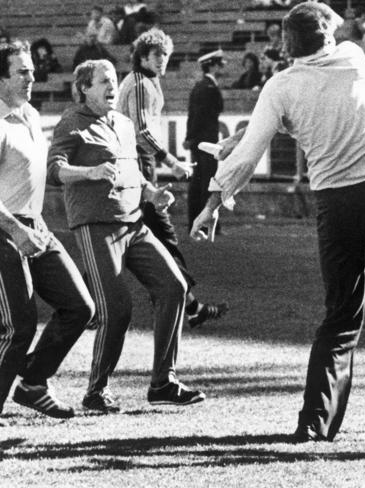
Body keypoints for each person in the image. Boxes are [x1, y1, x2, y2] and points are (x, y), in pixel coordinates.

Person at [191, 2, 365, 442]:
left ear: (287, 46)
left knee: (341, 316)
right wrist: (252, 134)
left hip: (333, 203)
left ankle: (315, 422)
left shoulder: (280, 87)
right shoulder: (354, 58)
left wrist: (213, 203)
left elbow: (255, 151)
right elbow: (328, 105)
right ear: (326, 34)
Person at [47, 59, 206, 413]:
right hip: (96, 226)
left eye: (114, 80)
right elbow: (55, 171)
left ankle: (163, 382)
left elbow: (131, 169)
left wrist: (151, 194)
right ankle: (95, 391)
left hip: (134, 224)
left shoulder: (122, 122)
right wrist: (90, 171)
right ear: (84, 88)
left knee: (174, 287)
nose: (112, 86)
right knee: (117, 309)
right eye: (103, 81)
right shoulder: (71, 122)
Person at [0, 40, 95, 422]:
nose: (31, 78)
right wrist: (13, 229)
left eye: (32, 71)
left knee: (79, 306)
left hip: (34, 225)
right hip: (5, 229)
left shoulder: (31, 116)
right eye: (22, 71)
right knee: (18, 327)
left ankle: (33, 384)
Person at [117, 29, 227, 329]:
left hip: (136, 160)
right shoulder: (140, 82)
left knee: (128, 232)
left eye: (166, 56)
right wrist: (172, 162)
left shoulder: (146, 81)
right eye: (158, 56)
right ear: (143, 57)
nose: (164, 61)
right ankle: (186, 302)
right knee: (159, 232)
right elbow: (142, 130)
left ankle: (189, 304)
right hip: (137, 161)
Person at [184, 50, 225, 233]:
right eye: (218, 64)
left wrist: (190, 137)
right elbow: (200, 116)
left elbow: (193, 116)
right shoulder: (208, 88)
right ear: (213, 66)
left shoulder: (201, 86)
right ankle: (207, 224)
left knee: (198, 183)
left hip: (199, 142)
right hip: (206, 143)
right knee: (206, 183)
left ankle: (196, 221)